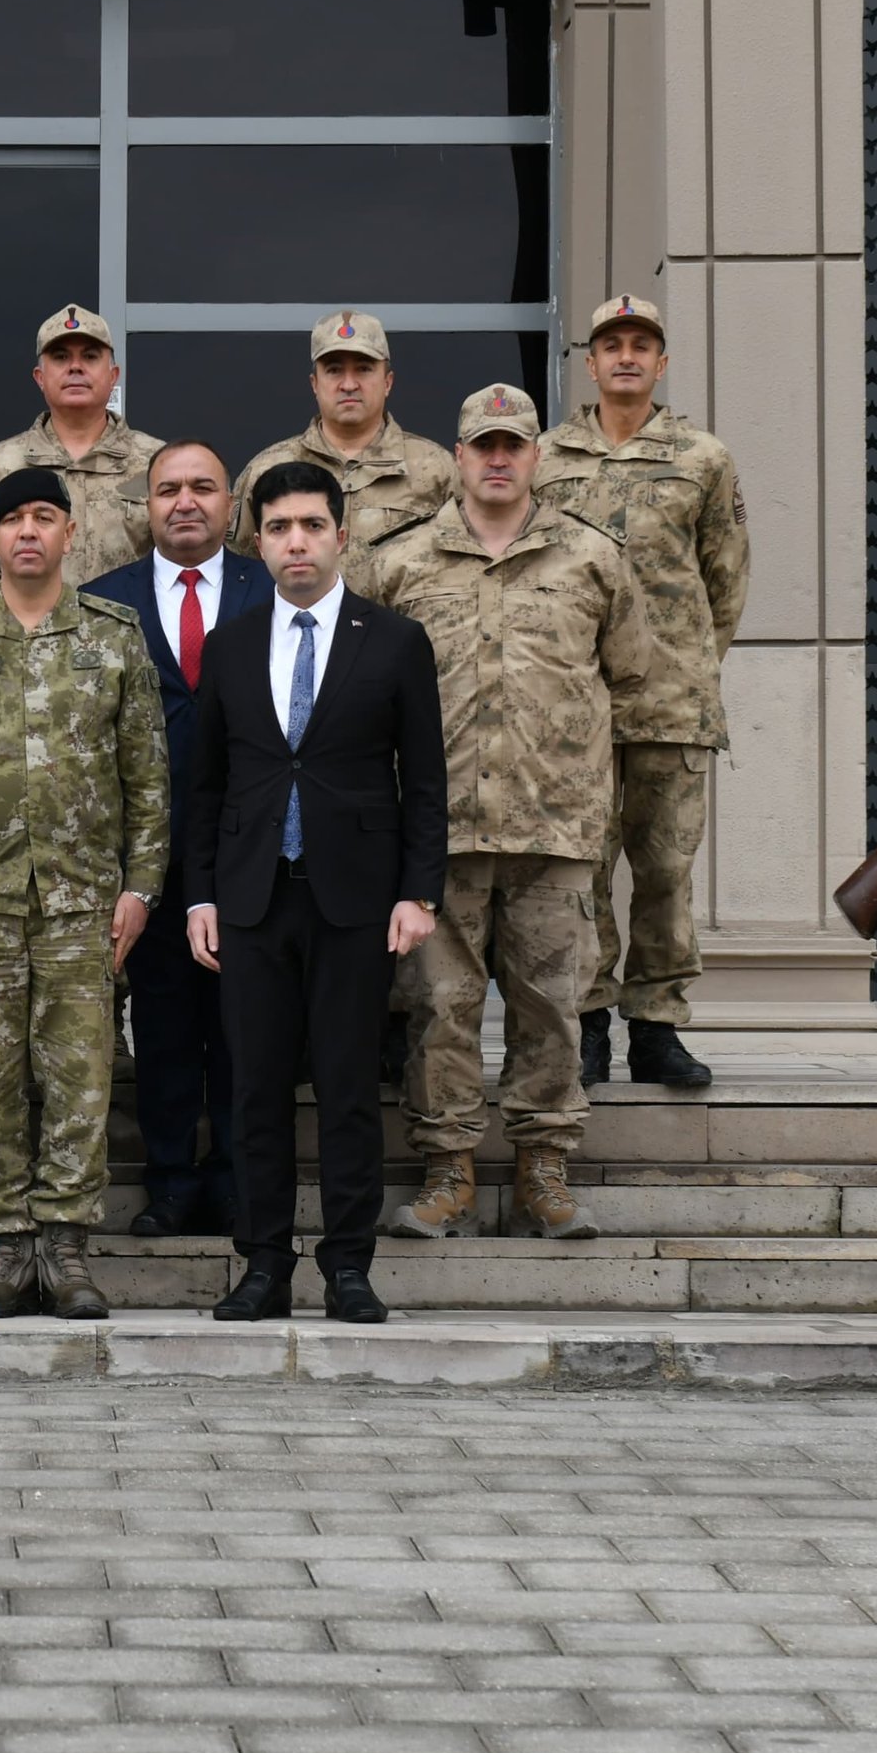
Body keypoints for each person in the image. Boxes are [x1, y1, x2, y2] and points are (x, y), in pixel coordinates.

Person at [361, 384, 650, 1245]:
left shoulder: (593, 559)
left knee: (551, 1007)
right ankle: (447, 1169)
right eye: (482, 444)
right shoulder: (400, 563)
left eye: (512, 445)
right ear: (457, 454)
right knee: (438, 1008)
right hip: (436, 832)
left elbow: (630, 674)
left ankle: (544, 1171)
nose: (497, 458)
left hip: (555, 831)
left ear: (536, 456)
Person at [0, 468, 168, 1320]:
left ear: (67, 533)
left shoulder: (115, 636)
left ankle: (67, 1249)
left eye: (43, 517)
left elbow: (148, 778)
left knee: (81, 1077)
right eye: (11, 520)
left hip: (84, 901)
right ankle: (8, 1249)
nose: (26, 533)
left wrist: (143, 888)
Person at [183, 465, 445, 1325]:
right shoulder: (230, 643)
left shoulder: (395, 641)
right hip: (253, 898)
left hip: (357, 901)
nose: (297, 541)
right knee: (254, 1090)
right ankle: (261, 1266)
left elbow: (427, 784)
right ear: (255, 542)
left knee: (345, 1088)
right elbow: (207, 785)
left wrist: (419, 892)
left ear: (342, 534)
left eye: (312, 525)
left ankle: (348, 1267)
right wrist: (200, 896)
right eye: (280, 527)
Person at [539, 295, 747, 1090]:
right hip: (573, 707)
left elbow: (724, 581)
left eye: (641, 345)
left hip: (671, 704)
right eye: (610, 344)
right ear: (588, 363)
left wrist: (685, 662)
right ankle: (587, 1024)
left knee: (664, 873)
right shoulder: (547, 456)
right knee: (580, 871)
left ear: (661, 363)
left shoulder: (701, 457)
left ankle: (657, 1028)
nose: (626, 355)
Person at [87, 438, 263, 1238]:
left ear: (232, 505)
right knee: (158, 1023)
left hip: (250, 847)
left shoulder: (273, 592)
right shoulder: (98, 601)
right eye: (167, 490)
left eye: (203, 487)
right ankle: (168, 1181)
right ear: (145, 506)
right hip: (139, 854)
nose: (185, 502)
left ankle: (232, 1176)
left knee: (240, 1024)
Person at [0, 307, 165, 589]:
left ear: (113, 376)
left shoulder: (156, 463)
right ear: (39, 377)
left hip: (132, 631)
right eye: (60, 357)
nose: (75, 367)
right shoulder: (0, 465)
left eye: (90, 356)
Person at [245, 311, 458, 554]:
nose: (348, 385)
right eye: (334, 370)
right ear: (315, 383)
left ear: (388, 382)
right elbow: (238, 572)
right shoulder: (266, 470)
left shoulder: (437, 469)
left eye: (364, 369)